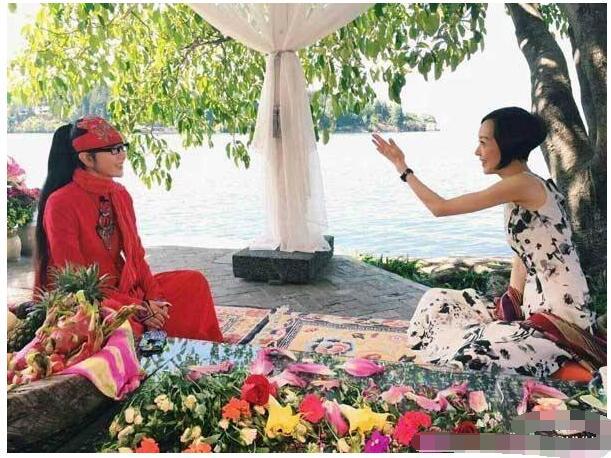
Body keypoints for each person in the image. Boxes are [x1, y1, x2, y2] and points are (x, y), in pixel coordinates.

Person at [372, 107, 604, 379]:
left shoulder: (523, 184)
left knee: (475, 354)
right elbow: (523, 253)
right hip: (532, 306)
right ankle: (542, 358)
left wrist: (403, 168)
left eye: (483, 142)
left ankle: (578, 371)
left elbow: (440, 207)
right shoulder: (521, 186)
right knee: (437, 301)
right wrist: (512, 300)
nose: (477, 151)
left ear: (507, 144)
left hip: (559, 316)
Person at [34, 116, 223, 342]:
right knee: (123, 325)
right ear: (86, 158)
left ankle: (193, 349)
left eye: (122, 147)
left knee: (193, 283)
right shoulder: (60, 203)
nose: (122, 155)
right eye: (113, 150)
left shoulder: (120, 194)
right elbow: (75, 283)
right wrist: (140, 308)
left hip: (126, 292)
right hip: (89, 301)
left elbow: (137, 257)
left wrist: (154, 300)